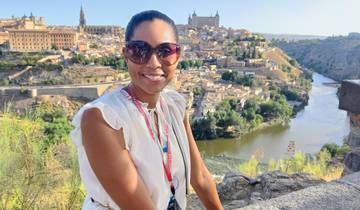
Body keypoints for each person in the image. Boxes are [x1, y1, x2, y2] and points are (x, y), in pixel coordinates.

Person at [70, 10, 223, 210]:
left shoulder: (175, 106)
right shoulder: (103, 118)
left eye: (165, 51)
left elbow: (200, 176)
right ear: (125, 54)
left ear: (177, 56)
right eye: (140, 51)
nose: (153, 63)